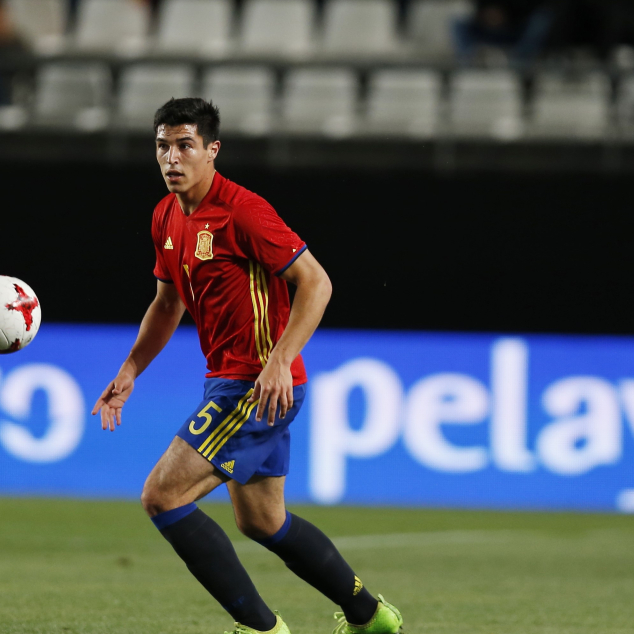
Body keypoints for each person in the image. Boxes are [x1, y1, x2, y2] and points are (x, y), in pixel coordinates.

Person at [92, 98, 404, 634]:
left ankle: (262, 629)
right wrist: (131, 369)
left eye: (185, 145)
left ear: (213, 151)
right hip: (233, 380)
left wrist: (280, 360)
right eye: (163, 146)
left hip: (256, 386)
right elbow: (168, 305)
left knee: (161, 496)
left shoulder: (243, 211)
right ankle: (371, 617)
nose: (172, 157)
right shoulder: (166, 215)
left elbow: (317, 281)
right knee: (262, 521)